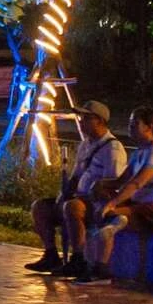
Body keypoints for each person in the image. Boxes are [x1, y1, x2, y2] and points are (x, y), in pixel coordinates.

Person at [77, 106, 153, 286]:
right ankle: (90, 257)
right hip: (141, 204)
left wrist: (113, 203)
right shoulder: (139, 152)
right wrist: (101, 185)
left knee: (110, 216)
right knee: (102, 203)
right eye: (129, 124)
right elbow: (121, 180)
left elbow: (137, 183)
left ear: (149, 127)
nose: (130, 128)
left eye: (134, 124)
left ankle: (101, 269)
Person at [27, 100, 125, 274]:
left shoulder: (113, 149)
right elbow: (76, 175)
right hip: (79, 197)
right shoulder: (85, 144)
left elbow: (113, 183)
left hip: (95, 203)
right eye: (80, 117)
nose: (81, 122)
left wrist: (90, 196)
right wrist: (63, 194)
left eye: (86, 118)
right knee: (40, 207)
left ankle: (78, 259)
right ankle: (50, 254)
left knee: (72, 207)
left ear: (100, 121)